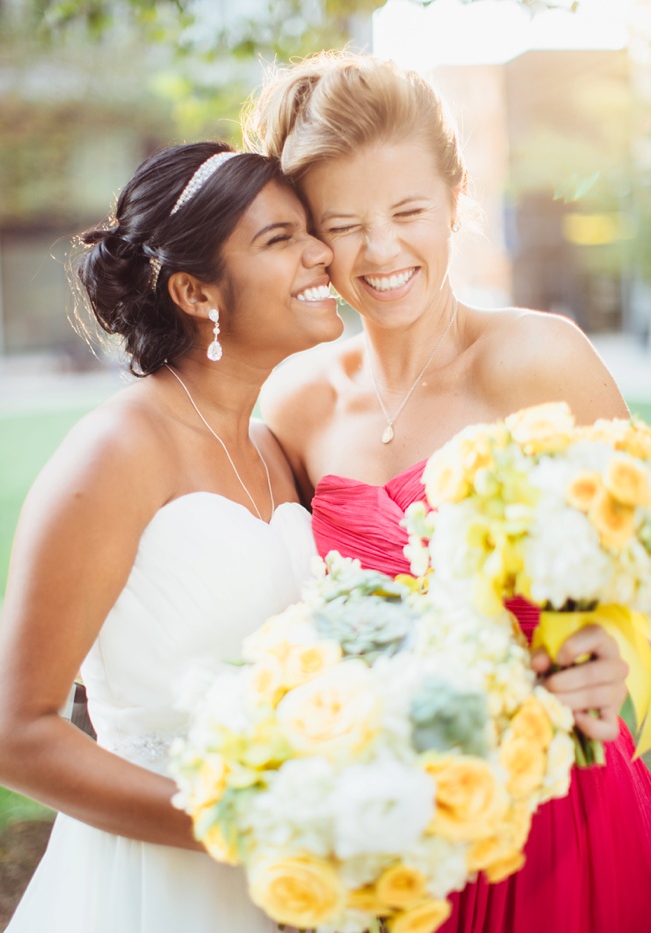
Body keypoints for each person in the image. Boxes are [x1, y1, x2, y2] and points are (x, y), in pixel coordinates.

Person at [245, 51, 651, 931]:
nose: (381, 250)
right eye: (344, 223)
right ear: (310, 237)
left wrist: (615, 657)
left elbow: (642, 567)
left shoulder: (544, 360)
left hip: (558, 810)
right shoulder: (293, 403)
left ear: (458, 197)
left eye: (408, 212)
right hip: (387, 837)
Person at [0, 141, 343, 933]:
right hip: (154, 888)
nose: (323, 252)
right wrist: (251, 827)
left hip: (286, 892)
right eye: (280, 238)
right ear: (195, 292)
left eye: (310, 230)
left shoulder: (272, 448)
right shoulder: (115, 453)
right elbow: (10, 736)